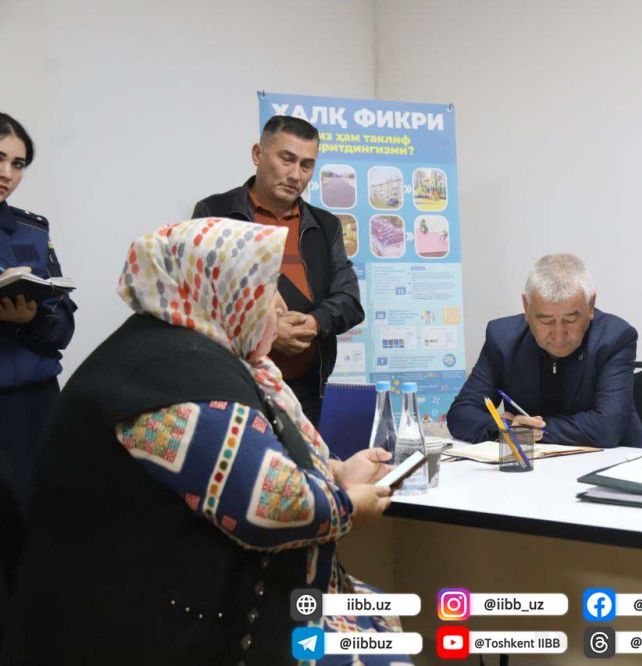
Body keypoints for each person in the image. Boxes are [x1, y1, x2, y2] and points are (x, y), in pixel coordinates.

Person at [1, 219, 403, 666]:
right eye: (266, 288)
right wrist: (351, 504)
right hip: (137, 630)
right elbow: (272, 504)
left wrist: (337, 472)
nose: (280, 306)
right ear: (222, 289)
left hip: (199, 600)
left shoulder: (203, 355)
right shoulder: (172, 380)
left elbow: (264, 458)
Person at [193, 116, 364, 424]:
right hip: (236, 390)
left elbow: (349, 300)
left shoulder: (325, 225)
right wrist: (266, 332)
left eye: (306, 165)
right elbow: (200, 303)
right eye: (287, 160)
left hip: (307, 396)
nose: (295, 175)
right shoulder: (214, 213)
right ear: (258, 154)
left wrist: (315, 322)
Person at [448, 253, 642, 448]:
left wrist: (529, 432)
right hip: (536, 466)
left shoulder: (613, 338)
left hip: (620, 462)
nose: (558, 335)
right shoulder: (503, 339)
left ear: (590, 306)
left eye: (570, 319)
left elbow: (607, 428)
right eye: (546, 320)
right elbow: (461, 413)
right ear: (526, 307)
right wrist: (507, 428)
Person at [0, 113, 76, 518]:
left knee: (41, 524)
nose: (7, 174)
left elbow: (63, 323)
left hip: (34, 404)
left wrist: (30, 320)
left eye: (18, 164)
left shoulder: (31, 230)